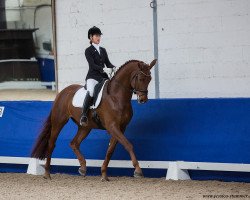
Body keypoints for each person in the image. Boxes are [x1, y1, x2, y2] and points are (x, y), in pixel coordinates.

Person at [80, 26, 116, 126]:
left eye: (99, 36)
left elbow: (108, 63)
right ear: (91, 37)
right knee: (91, 91)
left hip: (103, 77)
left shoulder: (103, 50)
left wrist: (115, 68)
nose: (98, 38)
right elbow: (92, 65)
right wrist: (103, 69)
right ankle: (83, 115)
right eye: (96, 36)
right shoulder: (88, 50)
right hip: (92, 77)